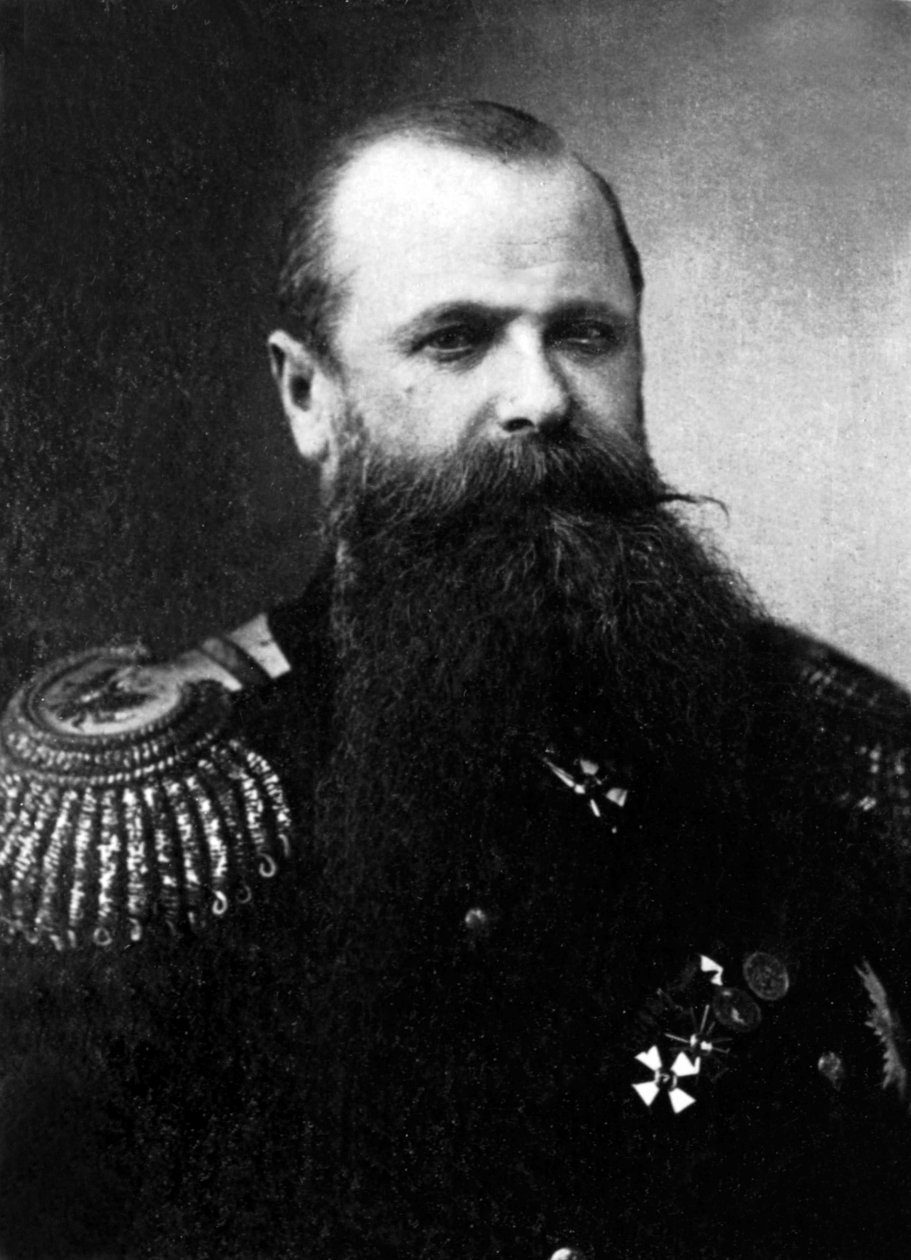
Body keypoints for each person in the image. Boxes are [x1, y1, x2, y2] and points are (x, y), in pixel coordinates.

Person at [0, 98, 909, 1260]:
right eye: (454, 340)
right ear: (307, 395)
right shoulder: (148, 829)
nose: (539, 398)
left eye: (584, 334)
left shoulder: (838, 750)